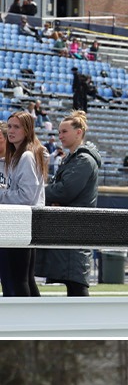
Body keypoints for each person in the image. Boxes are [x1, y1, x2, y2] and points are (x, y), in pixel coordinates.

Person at [37, 112, 101, 297]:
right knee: (73, 284)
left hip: (76, 228)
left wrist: (40, 193)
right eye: (59, 132)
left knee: (76, 286)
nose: (60, 136)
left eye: (64, 131)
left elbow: (65, 191)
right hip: (69, 227)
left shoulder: (84, 160)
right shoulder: (73, 158)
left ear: (78, 132)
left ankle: (85, 325)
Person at [1, 110, 49, 297]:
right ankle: (35, 320)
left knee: (18, 278)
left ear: (27, 130)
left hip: (22, 222)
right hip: (24, 222)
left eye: (16, 127)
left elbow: (26, 196)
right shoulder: (21, 155)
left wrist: (1, 193)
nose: (10, 131)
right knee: (23, 278)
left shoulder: (27, 156)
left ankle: (28, 320)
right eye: (9, 126)